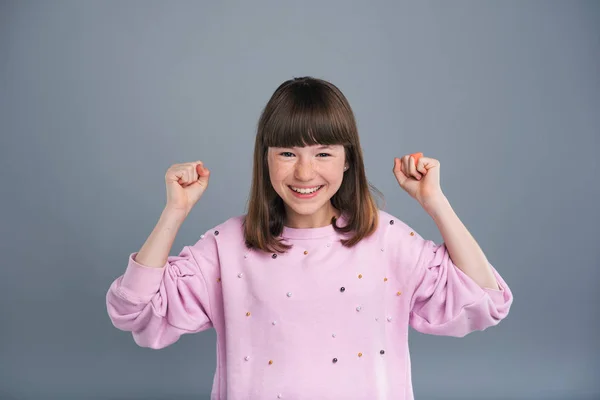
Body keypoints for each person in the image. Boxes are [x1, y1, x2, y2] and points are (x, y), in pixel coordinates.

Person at [106, 76, 513, 400]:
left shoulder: (386, 241)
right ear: (264, 157)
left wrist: (435, 202)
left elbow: (484, 298)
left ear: (348, 157)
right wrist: (174, 212)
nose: (304, 173)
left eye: (323, 153)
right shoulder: (227, 247)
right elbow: (138, 312)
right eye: (286, 153)